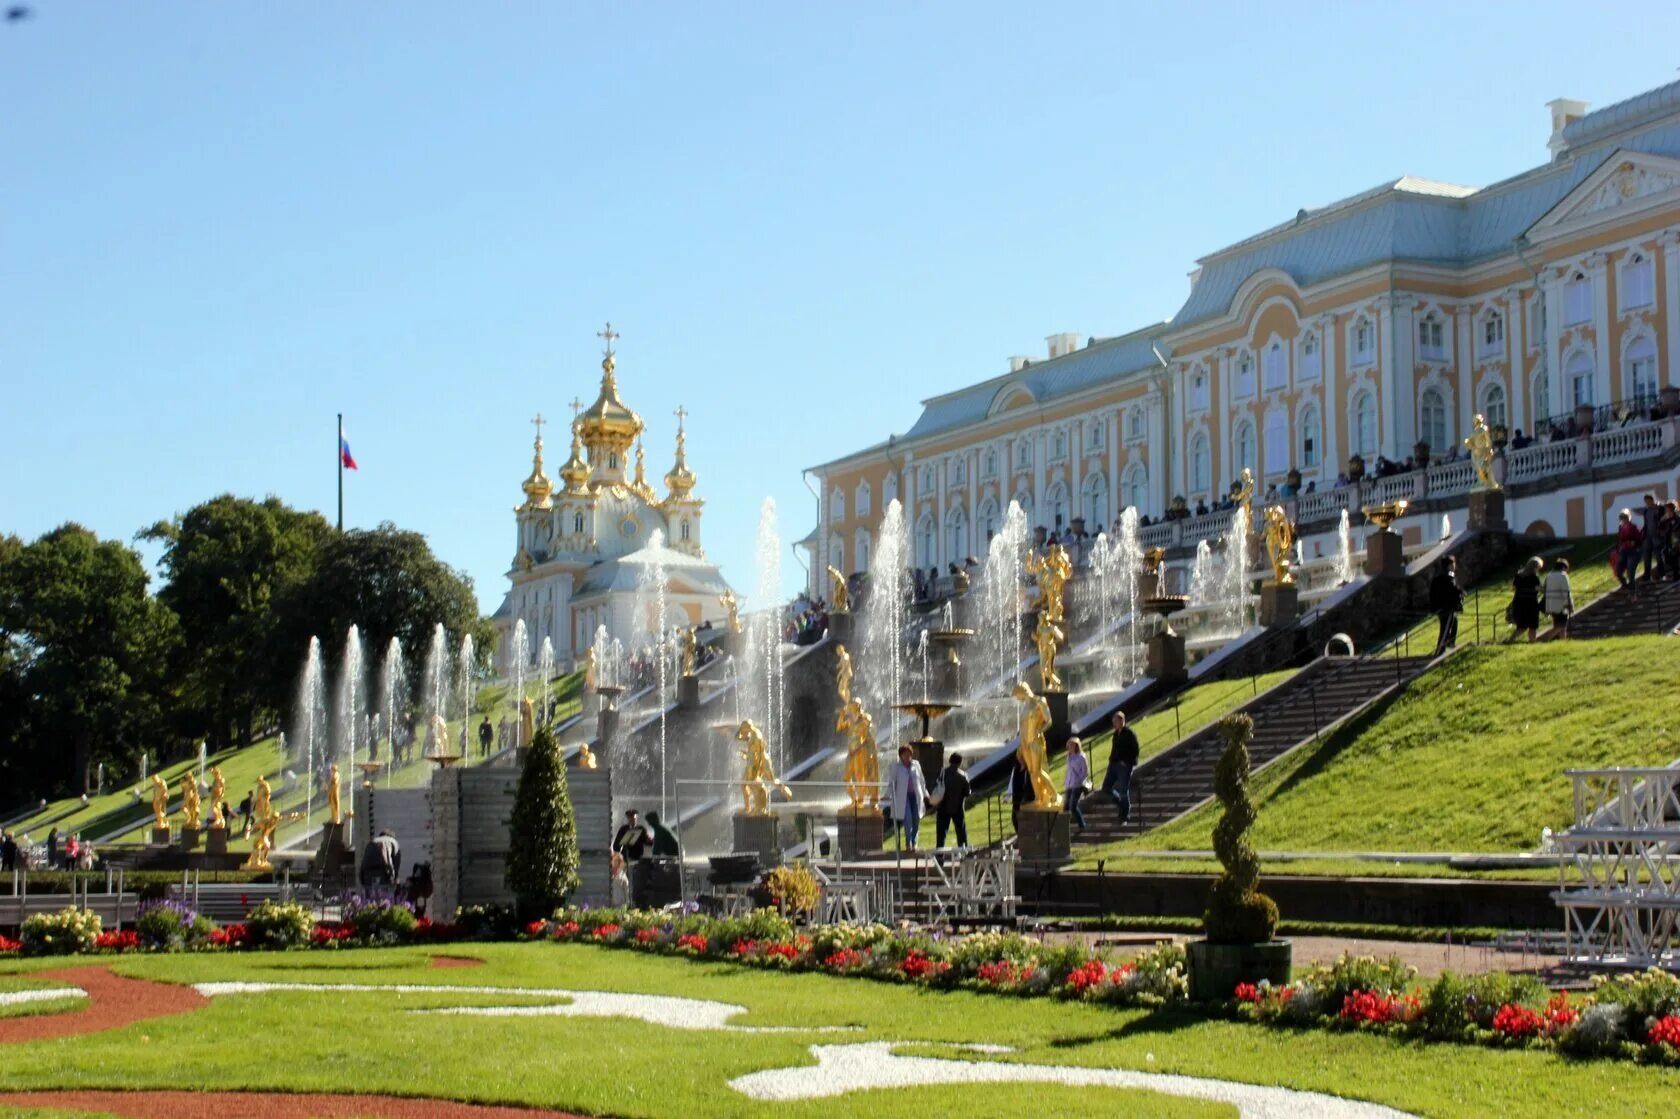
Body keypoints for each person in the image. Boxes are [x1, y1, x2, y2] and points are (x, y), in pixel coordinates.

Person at [885, 745, 930, 850]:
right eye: (905, 754)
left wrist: (926, 793)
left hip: (916, 795)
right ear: (901, 755)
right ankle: (908, 843)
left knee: (916, 819)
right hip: (903, 797)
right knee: (908, 819)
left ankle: (915, 842)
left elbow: (922, 780)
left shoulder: (916, 764)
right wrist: (887, 795)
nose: (908, 756)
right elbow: (892, 782)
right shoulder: (896, 766)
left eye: (909, 753)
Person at [1102, 710, 1139, 824]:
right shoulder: (1115, 734)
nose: (1114, 724)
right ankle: (1121, 805)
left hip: (1124, 766)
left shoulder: (1129, 733)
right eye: (1113, 722)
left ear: (1122, 721)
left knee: (1123, 790)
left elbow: (1135, 750)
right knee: (1106, 788)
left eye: (1116, 721)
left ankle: (1124, 814)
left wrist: (1127, 762)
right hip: (1113, 764)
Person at [1429, 557, 1464, 655]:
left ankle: (1450, 642)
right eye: (1453, 565)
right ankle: (1440, 650)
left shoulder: (1442, 577)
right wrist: (1460, 593)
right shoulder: (1447, 577)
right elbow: (1452, 590)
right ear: (1449, 566)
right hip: (1446, 608)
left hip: (1443, 607)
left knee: (1453, 623)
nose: (1454, 567)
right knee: (1445, 629)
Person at [934, 753, 971, 849]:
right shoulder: (963, 775)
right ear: (960, 762)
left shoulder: (942, 773)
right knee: (961, 833)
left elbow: (936, 787)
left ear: (950, 761)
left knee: (941, 835)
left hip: (942, 807)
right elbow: (967, 792)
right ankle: (964, 855)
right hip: (958, 808)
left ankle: (939, 858)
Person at [1508, 556, 1543, 643]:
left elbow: (1513, 588)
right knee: (1532, 626)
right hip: (1531, 604)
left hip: (1519, 602)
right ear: (1536, 567)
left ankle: (1510, 640)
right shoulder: (1535, 578)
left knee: (1522, 626)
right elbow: (1539, 589)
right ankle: (1532, 642)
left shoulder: (1519, 576)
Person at [359, 829, 402, 894]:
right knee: (385, 900)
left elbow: (364, 861)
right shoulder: (393, 842)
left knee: (369, 901)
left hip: (368, 875)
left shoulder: (371, 842)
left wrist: (362, 879)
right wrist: (395, 878)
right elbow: (396, 863)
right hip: (384, 874)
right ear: (391, 836)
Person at [1063, 738, 1091, 832]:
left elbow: (1085, 771)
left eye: (1070, 745)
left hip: (1077, 785)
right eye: (1068, 746)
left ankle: (1082, 825)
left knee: (1073, 806)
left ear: (1075, 745)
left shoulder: (1081, 756)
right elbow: (1068, 771)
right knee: (1065, 807)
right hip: (1069, 784)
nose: (1068, 748)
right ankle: (1064, 828)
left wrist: (1079, 781)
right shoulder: (1069, 757)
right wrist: (1066, 782)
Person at [1544, 557, 1575, 638]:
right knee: (1561, 625)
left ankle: (1563, 641)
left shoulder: (1549, 575)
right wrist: (1570, 604)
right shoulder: (1563, 576)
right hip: (1562, 605)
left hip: (1551, 605)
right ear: (1564, 567)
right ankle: (1545, 638)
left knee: (1562, 627)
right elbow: (1566, 592)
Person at [1615, 509, 1643, 590]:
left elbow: (1640, 539)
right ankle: (1625, 584)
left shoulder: (1633, 527)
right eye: (1622, 518)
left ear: (1628, 518)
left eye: (1625, 518)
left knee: (1630, 571)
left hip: (1633, 551)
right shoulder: (1620, 528)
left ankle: (1632, 590)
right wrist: (1619, 547)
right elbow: (1619, 539)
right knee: (1618, 570)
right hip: (1624, 550)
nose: (1623, 520)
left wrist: (1634, 542)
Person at [1641, 494, 1662, 581]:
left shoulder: (1659, 509)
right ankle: (1647, 574)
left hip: (1657, 535)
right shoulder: (1646, 511)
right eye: (1646, 502)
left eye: (1649, 501)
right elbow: (1646, 523)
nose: (1647, 503)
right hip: (1648, 536)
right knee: (1646, 555)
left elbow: (1662, 521)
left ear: (1652, 500)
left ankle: (1661, 573)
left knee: (1658, 555)